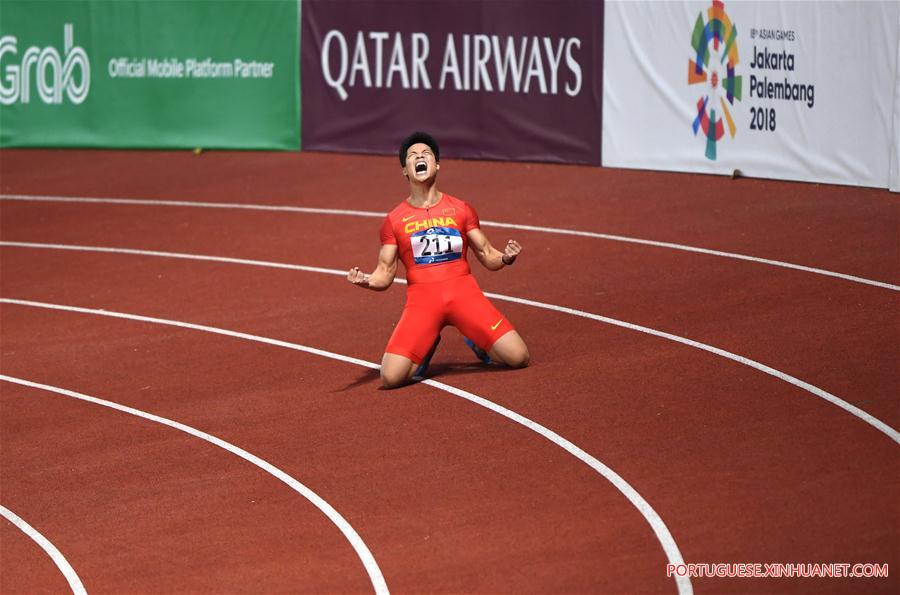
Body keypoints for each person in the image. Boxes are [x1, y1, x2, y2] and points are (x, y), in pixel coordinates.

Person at [348, 131, 530, 389]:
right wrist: (366, 280)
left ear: (437, 165)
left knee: (519, 357)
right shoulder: (394, 220)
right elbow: (384, 274)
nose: (419, 158)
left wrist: (506, 257)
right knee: (390, 378)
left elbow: (488, 255)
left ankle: (478, 342)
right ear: (405, 171)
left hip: (465, 295)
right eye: (412, 156)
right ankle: (428, 343)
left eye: (426, 154)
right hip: (423, 303)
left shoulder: (461, 209)